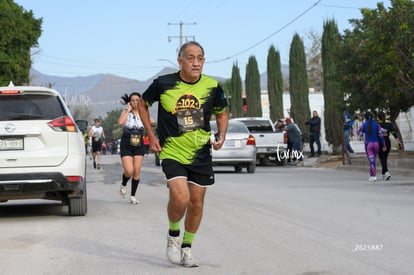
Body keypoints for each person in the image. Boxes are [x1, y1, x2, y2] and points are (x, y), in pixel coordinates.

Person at [138, 41, 229, 268]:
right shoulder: (164, 83)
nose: (196, 62)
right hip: (172, 151)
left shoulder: (212, 86)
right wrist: (151, 135)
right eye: (190, 58)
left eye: (200, 58)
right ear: (180, 61)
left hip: (200, 153)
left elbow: (222, 112)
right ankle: (172, 235)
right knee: (181, 198)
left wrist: (222, 135)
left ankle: (187, 249)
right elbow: (142, 103)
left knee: (196, 203)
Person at [117, 92, 145, 204]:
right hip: (126, 143)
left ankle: (133, 196)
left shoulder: (144, 112)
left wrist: (151, 122)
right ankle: (124, 183)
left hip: (139, 143)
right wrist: (128, 110)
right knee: (129, 171)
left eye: (137, 100)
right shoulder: (126, 112)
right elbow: (120, 122)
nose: (135, 102)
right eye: (132, 100)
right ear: (130, 102)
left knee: (137, 171)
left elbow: (150, 122)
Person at [357, 112, 386, 181]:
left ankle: (373, 176)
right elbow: (381, 136)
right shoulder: (377, 124)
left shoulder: (364, 124)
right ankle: (371, 173)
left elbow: (359, 133)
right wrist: (384, 145)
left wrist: (359, 132)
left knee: (371, 160)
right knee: (373, 160)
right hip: (376, 144)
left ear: (365, 117)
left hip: (369, 145)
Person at [377, 111, 402, 180]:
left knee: (382, 158)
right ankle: (383, 174)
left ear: (378, 117)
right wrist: (399, 142)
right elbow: (394, 133)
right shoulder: (389, 124)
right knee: (384, 158)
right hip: (387, 142)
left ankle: (386, 172)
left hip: (380, 142)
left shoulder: (376, 124)